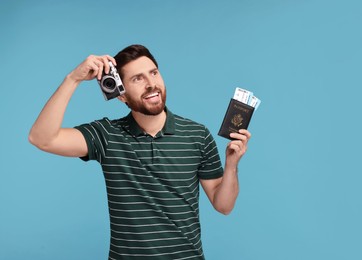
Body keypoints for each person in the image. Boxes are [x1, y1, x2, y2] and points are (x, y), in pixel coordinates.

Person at [29, 44, 251, 260]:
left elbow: (224, 206)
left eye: (153, 73)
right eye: (137, 78)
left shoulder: (198, 134)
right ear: (121, 95)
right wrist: (73, 78)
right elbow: (42, 138)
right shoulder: (106, 135)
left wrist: (232, 165)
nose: (151, 84)